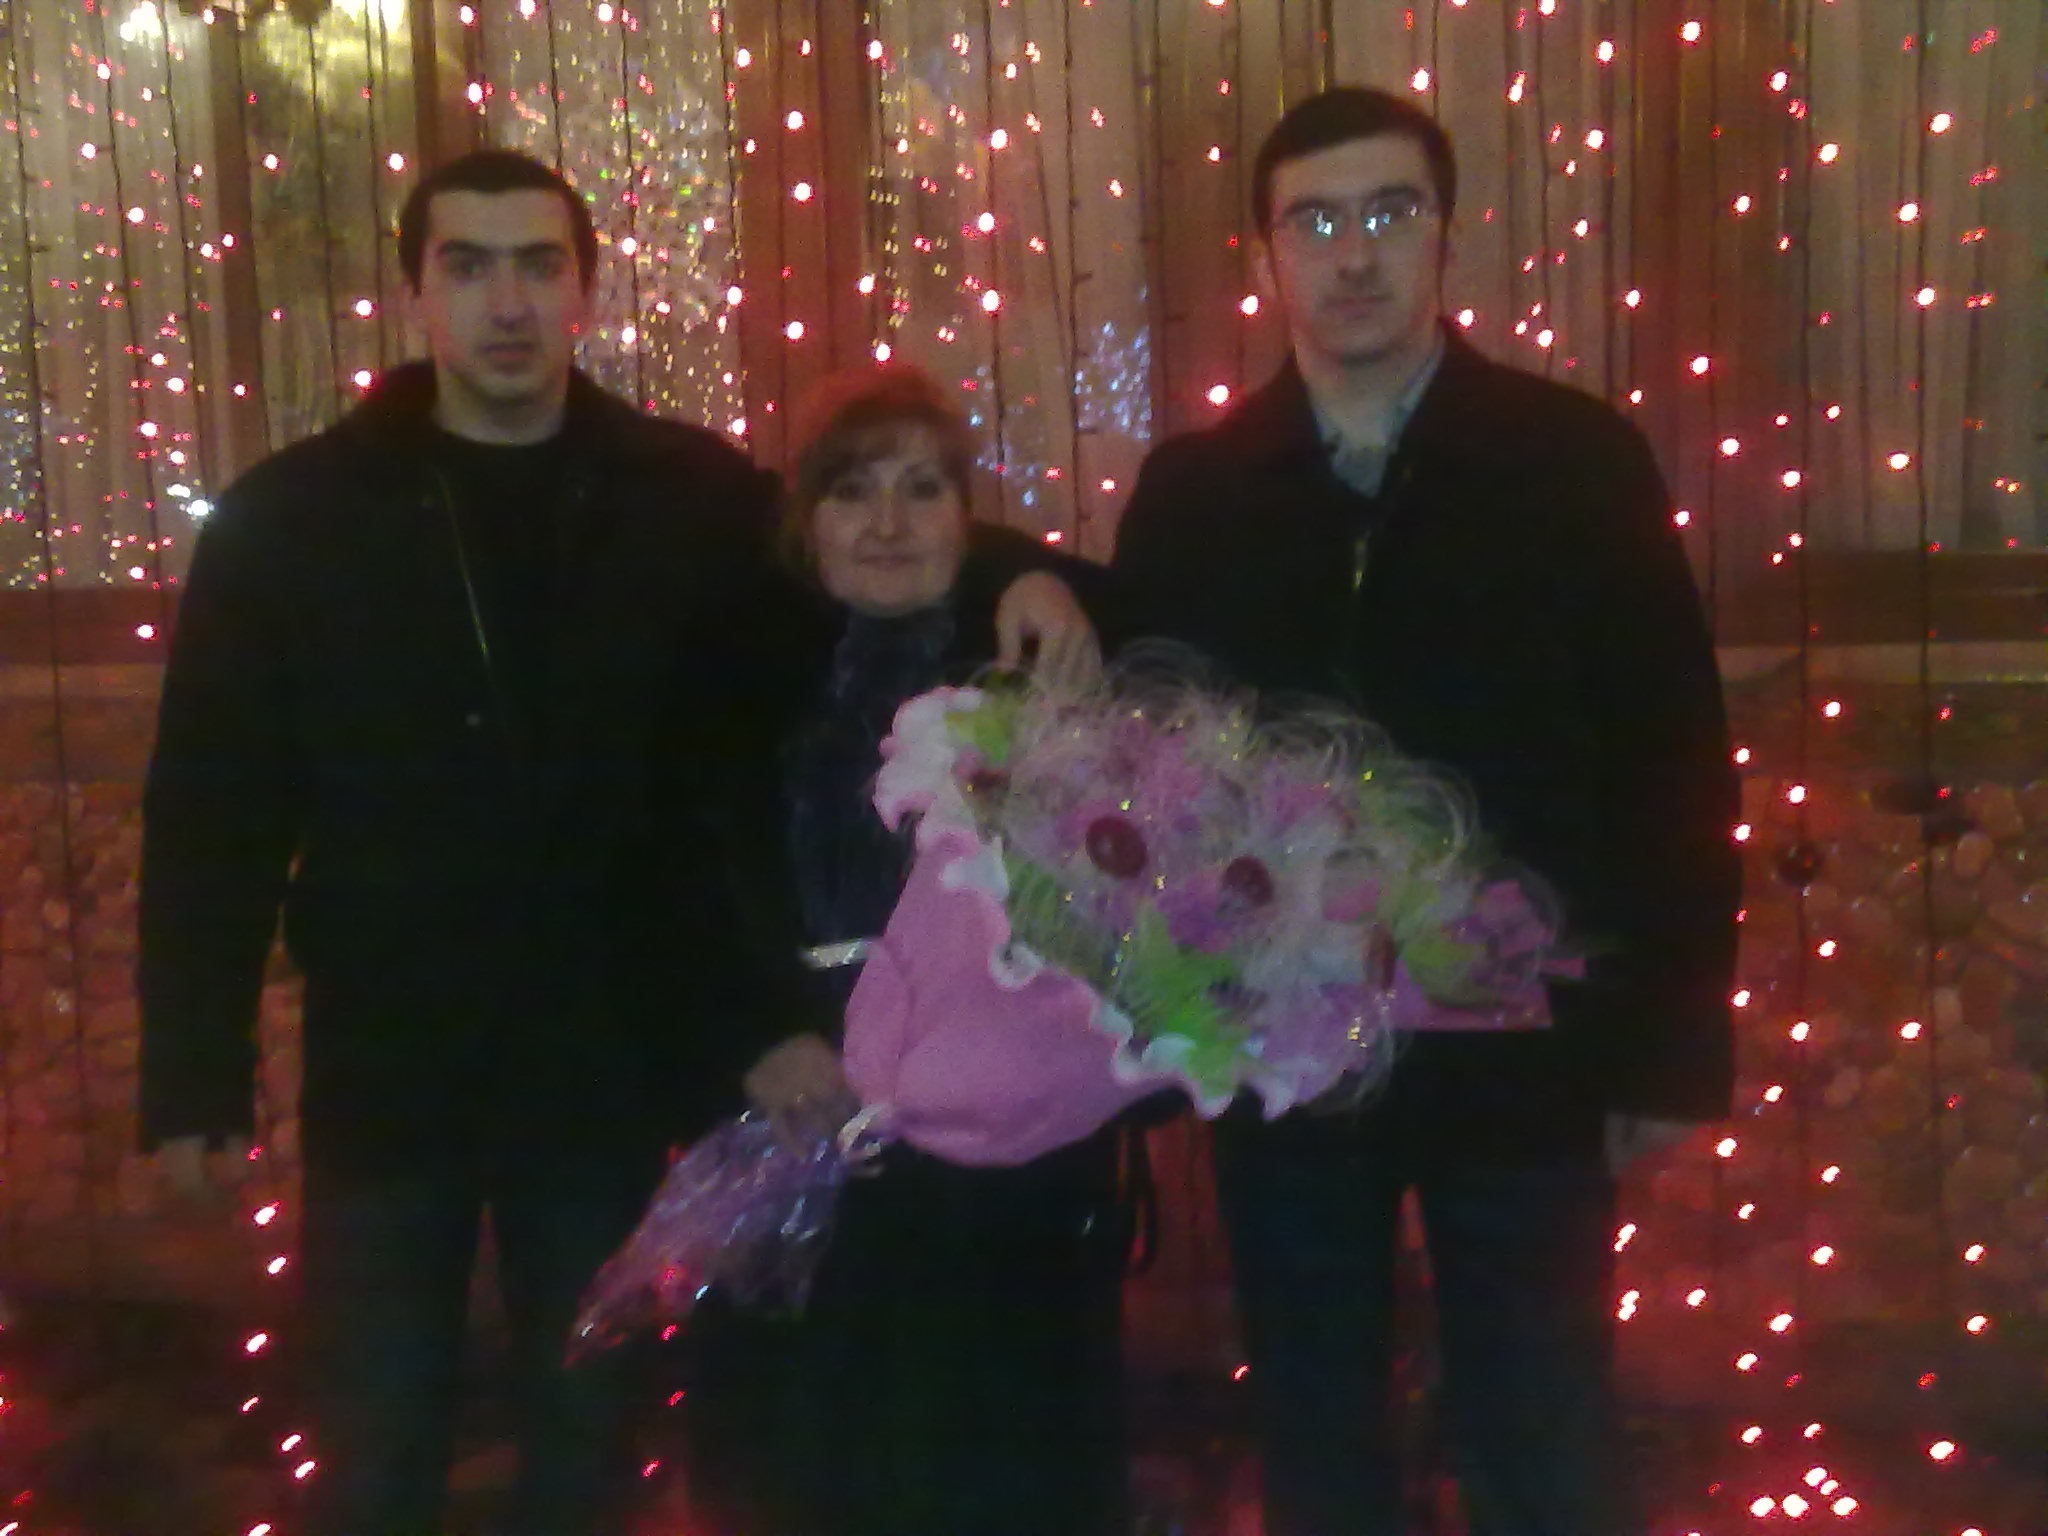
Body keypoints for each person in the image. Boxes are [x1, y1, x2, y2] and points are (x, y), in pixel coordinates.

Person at [136, 150, 1091, 1536]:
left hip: (601, 1062)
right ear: (415, 293)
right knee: (376, 1445)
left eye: (539, 264)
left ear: (583, 289)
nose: (506, 301)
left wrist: (1031, 573)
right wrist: (193, 1075)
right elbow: (212, 805)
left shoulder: (682, 495)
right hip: (390, 1057)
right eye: (469, 265)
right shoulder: (296, 521)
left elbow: (868, 543)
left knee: (587, 1441)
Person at [1112, 88, 1742, 1536]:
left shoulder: (1571, 460)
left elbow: (1670, 757)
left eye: (1388, 212)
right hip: (1287, 1048)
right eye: (1314, 221)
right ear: (1268, 252)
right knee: (1314, 1419)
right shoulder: (1197, 492)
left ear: (1444, 234)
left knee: (1542, 1414)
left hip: (1526, 1038)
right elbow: (1144, 772)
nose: (1354, 254)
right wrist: (1164, 1029)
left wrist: (1670, 1040)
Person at [692, 362, 1131, 1536]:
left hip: (1007, 1147)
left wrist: (1033, 574)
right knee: (815, 1459)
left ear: (965, 517)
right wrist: (754, 1037)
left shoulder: (1033, 666)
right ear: (806, 519)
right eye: (852, 490)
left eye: (921, 488)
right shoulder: (729, 667)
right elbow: (665, 888)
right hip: (799, 1105)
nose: (886, 522)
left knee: (999, 1460)